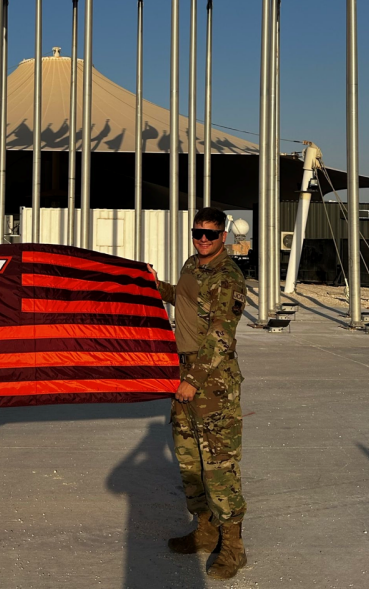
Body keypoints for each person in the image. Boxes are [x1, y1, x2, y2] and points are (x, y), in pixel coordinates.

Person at [148, 207, 248, 580]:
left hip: (213, 381)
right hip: (182, 370)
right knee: (190, 461)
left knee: (220, 465)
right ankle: (205, 530)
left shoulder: (229, 276)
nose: (202, 239)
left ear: (223, 235)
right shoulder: (193, 265)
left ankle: (234, 546)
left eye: (210, 234)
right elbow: (185, 300)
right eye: (197, 233)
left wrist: (195, 379)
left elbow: (223, 334)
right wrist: (154, 286)